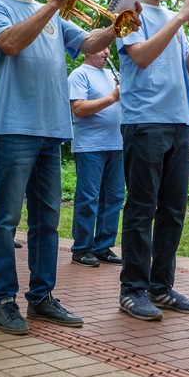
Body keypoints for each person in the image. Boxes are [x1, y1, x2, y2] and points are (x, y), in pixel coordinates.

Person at [0, 0, 134, 335]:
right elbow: (10, 44)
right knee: (6, 219)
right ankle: (3, 300)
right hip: (13, 128)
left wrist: (118, 25)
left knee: (47, 221)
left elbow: (87, 44)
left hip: (51, 130)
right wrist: (52, 5)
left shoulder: (53, 16)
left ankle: (41, 297)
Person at [117, 0, 189, 321]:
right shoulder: (130, 12)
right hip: (144, 120)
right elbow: (140, 56)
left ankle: (161, 287)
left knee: (173, 210)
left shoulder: (175, 18)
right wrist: (180, 18)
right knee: (142, 209)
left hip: (178, 121)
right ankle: (132, 290)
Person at [68, 48, 124, 268]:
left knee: (114, 197)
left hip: (117, 144)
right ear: (88, 49)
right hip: (90, 146)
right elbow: (79, 108)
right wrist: (112, 97)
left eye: (108, 48)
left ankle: (103, 246)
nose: (107, 52)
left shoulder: (112, 74)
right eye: (102, 47)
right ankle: (81, 249)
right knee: (89, 198)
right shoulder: (79, 74)